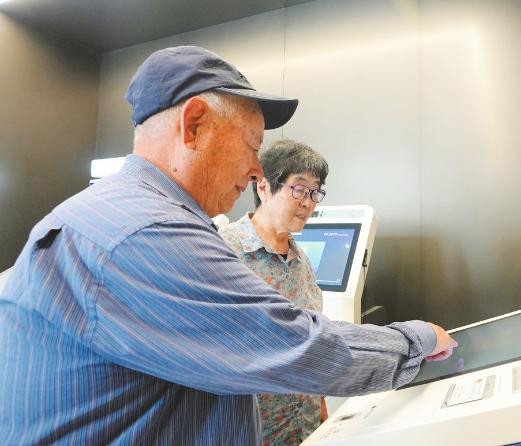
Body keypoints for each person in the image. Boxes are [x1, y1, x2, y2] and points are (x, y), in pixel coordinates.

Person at [0, 46, 457, 445]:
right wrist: (414, 340)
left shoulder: (119, 213)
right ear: (194, 124)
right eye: (251, 145)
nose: (257, 170)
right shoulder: (148, 230)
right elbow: (287, 342)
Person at [219, 139, 329, 445]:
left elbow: (312, 338)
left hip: (304, 427)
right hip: (253, 430)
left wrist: (321, 406)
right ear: (264, 187)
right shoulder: (225, 251)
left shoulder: (300, 260)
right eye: (300, 189)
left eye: (315, 192)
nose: (308, 202)